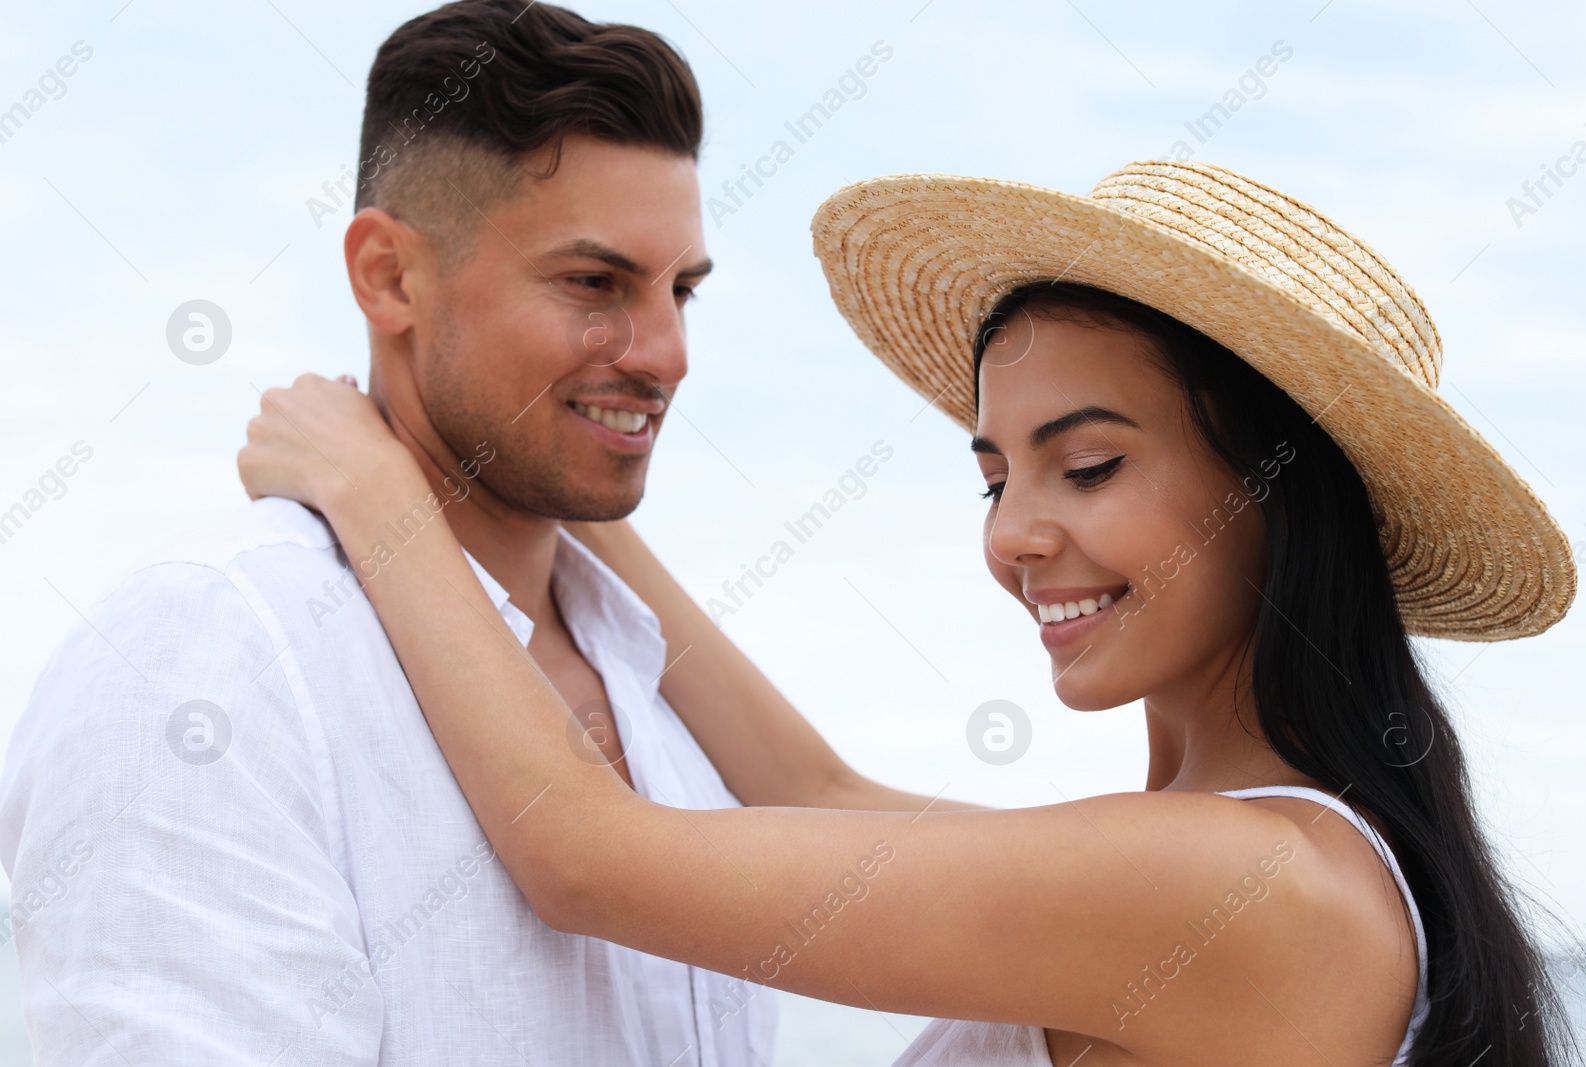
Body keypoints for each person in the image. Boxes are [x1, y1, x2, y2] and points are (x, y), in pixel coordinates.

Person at [238, 159, 1586, 1066]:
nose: (1015, 534)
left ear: (1278, 495)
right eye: (997, 472)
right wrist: (532, 463)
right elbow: (812, 787)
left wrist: (375, 492)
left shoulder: (1243, 890)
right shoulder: (1242, 863)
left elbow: (587, 856)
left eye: (1092, 463)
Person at [0, 3, 958, 1063]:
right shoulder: (212, 657)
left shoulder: (669, 712)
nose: (668, 353)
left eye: (680, 289)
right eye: (594, 283)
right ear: (388, 276)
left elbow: (626, 845)